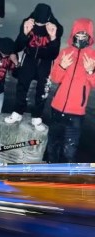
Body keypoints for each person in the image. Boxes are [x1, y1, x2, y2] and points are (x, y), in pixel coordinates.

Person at [4, 3, 63, 131]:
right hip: (29, 59)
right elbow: (18, 47)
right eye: (38, 23)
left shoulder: (57, 27)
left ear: (48, 19)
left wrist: (53, 37)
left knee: (42, 90)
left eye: (42, 24)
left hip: (46, 61)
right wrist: (24, 33)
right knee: (21, 85)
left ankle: (37, 117)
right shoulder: (28, 23)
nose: (39, 26)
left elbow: (54, 54)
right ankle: (17, 112)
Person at [47, 18, 95, 163]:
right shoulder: (65, 52)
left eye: (84, 36)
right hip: (56, 109)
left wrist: (90, 71)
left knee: (70, 151)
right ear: (73, 35)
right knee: (52, 147)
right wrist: (62, 66)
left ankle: (68, 178)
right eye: (78, 35)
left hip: (76, 114)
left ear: (89, 37)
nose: (80, 39)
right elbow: (55, 78)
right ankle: (50, 175)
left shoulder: (93, 56)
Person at [0, 36, 18, 137]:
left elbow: (16, 75)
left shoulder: (12, 55)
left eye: (7, 54)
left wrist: (16, 62)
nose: (5, 56)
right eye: (3, 53)